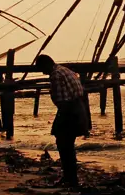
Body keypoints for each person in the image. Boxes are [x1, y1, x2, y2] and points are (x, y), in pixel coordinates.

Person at [34, 55, 89, 187]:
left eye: (42, 68)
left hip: (69, 110)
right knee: (68, 144)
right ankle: (71, 177)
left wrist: (61, 118)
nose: (42, 72)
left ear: (46, 65)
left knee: (63, 144)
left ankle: (70, 178)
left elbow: (61, 100)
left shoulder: (55, 75)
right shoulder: (65, 70)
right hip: (79, 109)